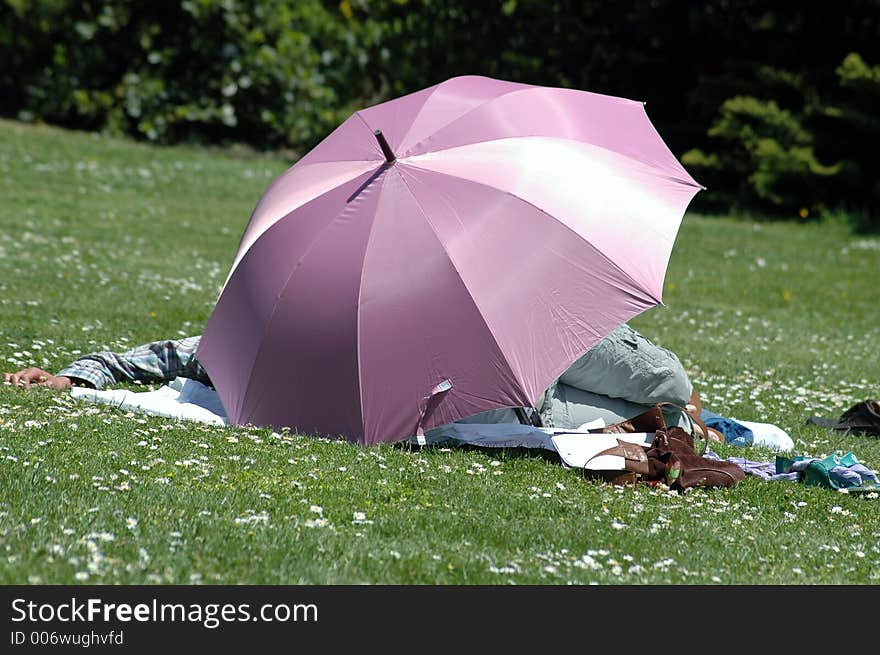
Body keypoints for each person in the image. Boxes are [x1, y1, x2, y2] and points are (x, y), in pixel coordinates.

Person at [3, 323, 705, 435]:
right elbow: (173, 356)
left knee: (670, 386)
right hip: (528, 413)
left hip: (542, 339)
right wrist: (74, 378)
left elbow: (668, 382)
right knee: (651, 431)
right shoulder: (303, 330)